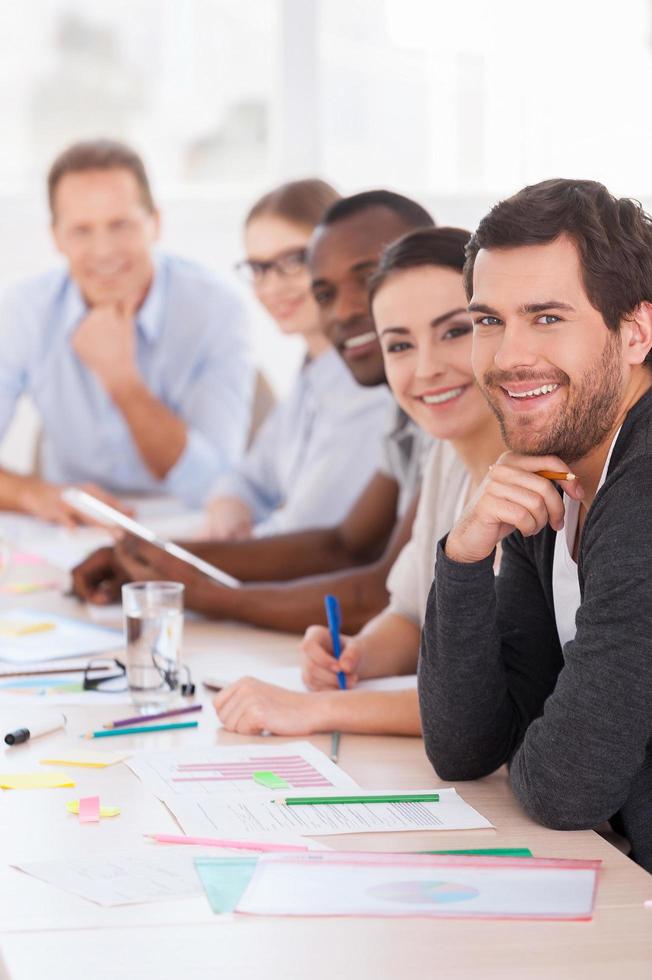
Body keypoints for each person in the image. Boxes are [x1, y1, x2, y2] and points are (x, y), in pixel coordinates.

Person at [418, 178, 652, 873]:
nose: (509, 356)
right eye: (488, 320)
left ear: (636, 331)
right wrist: (464, 555)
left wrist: (551, 744)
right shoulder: (550, 474)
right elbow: (465, 746)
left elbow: (564, 786)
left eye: (547, 317)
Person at [71, 190, 435, 633]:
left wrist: (199, 587)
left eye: (292, 262)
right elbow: (343, 544)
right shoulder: (379, 397)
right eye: (325, 291)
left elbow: (373, 587)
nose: (344, 308)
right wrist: (161, 557)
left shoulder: (414, 399)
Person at [213, 226, 504, 736]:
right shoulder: (444, 456)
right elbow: (411, 613)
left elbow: (500, 700)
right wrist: (358, 655)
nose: (426, 368)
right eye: (399, 346)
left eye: (454, 332)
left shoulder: (538, 485)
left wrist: (312, 710)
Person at [0, 139, 254, 524]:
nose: (104, 251)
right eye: (82, 230)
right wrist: (38, 495)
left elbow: (215, 485)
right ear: (55, 237)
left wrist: (122, 382)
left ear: (156, 223)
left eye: (121, 224)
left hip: (187, 524)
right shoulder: (26, 312)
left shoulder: (217, 310)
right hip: (70, 529)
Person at [205, 179, 391, 539]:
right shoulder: (313, 370)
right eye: (258, 269)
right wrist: (228, 504)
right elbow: (249, 477)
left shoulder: (369, 384)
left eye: (294, 261)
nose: (272, 287)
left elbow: (307, 530)